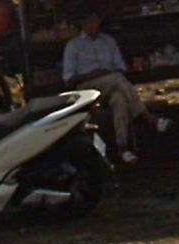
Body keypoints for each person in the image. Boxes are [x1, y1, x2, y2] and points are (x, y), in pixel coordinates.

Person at [63, 10, 171, 164]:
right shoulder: (73, 46)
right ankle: (148, 118)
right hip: (87, 86)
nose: (93, 25)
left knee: (119, 100)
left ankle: (123, 148)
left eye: (95, 21)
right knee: (117, 80)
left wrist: (106, 73)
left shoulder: (108, 41)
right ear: (83, 24)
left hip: (111, 83)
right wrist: (93, 74)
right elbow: (69, 79)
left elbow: (120, 67)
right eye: (89, 22)